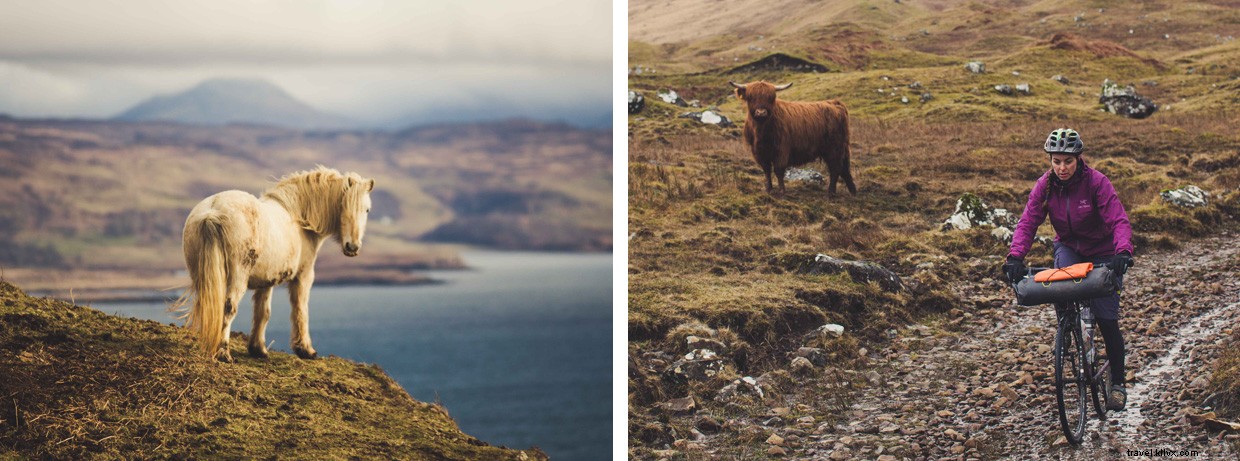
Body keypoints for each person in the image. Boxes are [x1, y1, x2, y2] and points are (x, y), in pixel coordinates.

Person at [1003, 128, 1135, 411]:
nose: (1061, 167)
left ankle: (1118, 385)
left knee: (1106, 318)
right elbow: (1028, 222)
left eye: (1067, 161)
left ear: (1078, 159)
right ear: (1050, 160)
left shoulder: (1097, 183)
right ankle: (1069, 330)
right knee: (1061, 291)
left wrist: (1123, 252)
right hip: (1069, 248)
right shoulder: (1045, 185)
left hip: (1104, 251)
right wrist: (1015, 257)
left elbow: (1118, 220)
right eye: (1056, 161)